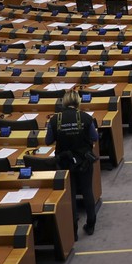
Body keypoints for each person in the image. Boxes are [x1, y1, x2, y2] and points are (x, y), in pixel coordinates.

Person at [46, 89, 99, 235]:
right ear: (78, 102)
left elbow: (48, 140)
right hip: (84, 161)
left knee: (71, 194)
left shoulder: (54, 120)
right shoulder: (86, 118)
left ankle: (73, 229)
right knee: (87, 190)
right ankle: (90, 225)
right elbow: (95, 137)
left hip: (64, 162)